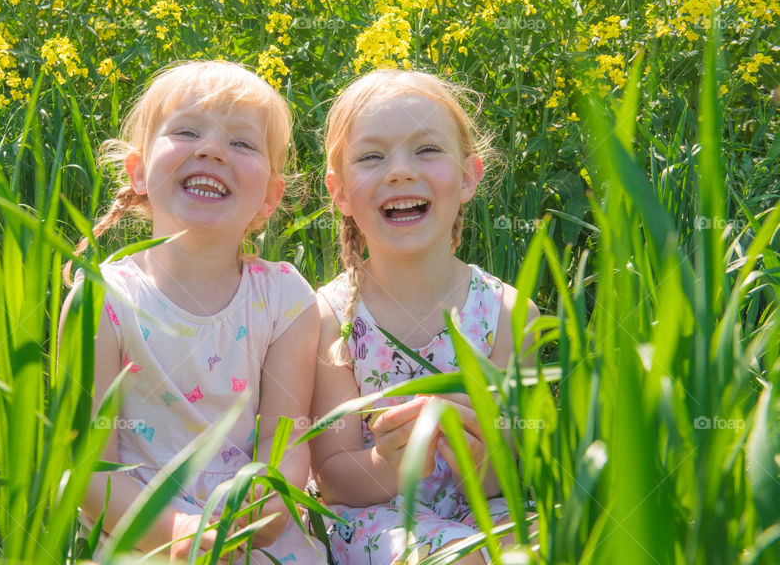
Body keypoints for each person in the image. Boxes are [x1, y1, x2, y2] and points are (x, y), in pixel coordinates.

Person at [60, 61, 324, 563]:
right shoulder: (104, 299)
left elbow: (284, 438)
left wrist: (266, 503)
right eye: (185, 132)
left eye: (242, 144)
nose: (211, 149)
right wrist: (179, 531)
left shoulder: (286, 299)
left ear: (270, 196)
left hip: (251, 534)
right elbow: (88, 468)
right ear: (137, 172)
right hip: (139, 531)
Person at [310, 69, 540, 565]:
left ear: (467, 177)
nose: (399, 171)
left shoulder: (506, 313)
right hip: (379, 517)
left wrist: (475, 456)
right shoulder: (330, 317)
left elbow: (512, 473)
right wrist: (390, 462)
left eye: (427, 150)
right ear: (341, 193)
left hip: (486, 510)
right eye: (372, 157)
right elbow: (332, 480)